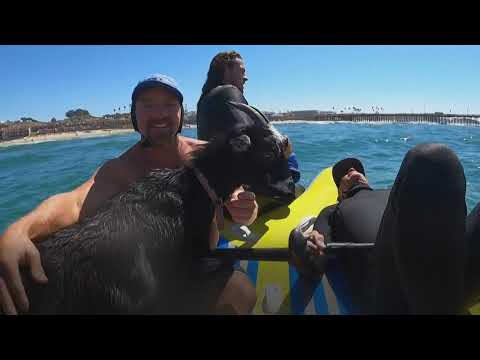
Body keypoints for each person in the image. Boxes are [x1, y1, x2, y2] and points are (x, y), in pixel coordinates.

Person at [0, 74, 259, 315]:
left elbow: (243, 202)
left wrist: (247, 209)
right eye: (148, 105)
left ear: (181, 113)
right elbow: (74, 203)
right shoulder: (121, 169)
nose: (159, 113)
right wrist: (20, 231)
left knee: (240, 290)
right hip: (150, 282)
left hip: (201, 264)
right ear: (134, 115)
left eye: (169, 104)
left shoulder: (208, 155)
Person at [292, 144, 480, 314]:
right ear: (340, 192)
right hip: (391, 285)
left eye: (357, 169)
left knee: (440, 165)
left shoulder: (396, 195)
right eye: (345, 174)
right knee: (432, 159)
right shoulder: (333, 209)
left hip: (450, 273)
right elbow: (317, 244)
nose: (352, 170)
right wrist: (310, 245)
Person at [196, 51, 301, 184]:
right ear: (225, 70)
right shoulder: (228, 92)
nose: (246, 78)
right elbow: (254, 145)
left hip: (215, 185)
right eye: (242, 71)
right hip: (245, 191)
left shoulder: (205, 101)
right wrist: (288, 154)